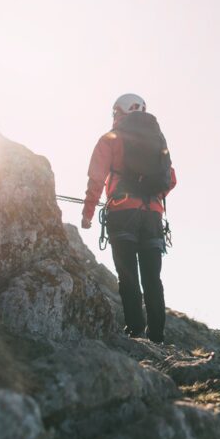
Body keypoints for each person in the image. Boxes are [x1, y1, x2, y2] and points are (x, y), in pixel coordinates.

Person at [81, 93, 176, 343]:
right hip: (153, 217)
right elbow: (171, 178)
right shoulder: (158, 139)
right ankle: (157, 336)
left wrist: (88, 213)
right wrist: (151, 195)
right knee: (152, 278)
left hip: (122, 213)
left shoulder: (110, 138)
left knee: (128, 275)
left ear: (120, 111)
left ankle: (135, 330)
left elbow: (97, 179)